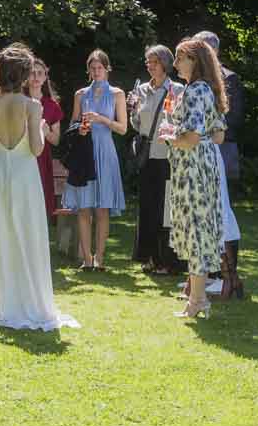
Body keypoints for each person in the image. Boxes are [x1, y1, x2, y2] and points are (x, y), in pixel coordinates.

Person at [0, 45, 79, 331]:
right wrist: (42, 131)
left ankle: (6, 304)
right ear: (21, 74)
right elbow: (35, 148)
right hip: (23, 172)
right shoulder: (31, 106)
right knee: (29, 233)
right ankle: (32, 302)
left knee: (3, 233)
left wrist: (2, 145)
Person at [161, 37, 228, 320]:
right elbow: (218, 135)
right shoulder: (206, 89)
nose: (175, 63)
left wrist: (169, 135)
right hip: (204, 166)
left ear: (195, 61)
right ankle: (197, 299)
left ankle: (198, 300)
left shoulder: (195, 91)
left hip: (192, 171)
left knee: (195, 231)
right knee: (197, 229)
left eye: (179, 58)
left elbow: (190, 138)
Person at [60, 49, 128, 270]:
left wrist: (102, 119)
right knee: (84, 207)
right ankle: (86, 259)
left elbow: (123, 128)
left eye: (100, 68)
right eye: (93, 68)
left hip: (105, 152)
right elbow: (71, 125)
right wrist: (79, 128)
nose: (97, 71)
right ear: (88, 70)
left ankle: (100, 258)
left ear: (107, 69)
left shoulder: (117, 94)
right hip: (85, 152)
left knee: (102, 208)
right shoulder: (81, 94)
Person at [193, 29, 246, 299]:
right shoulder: (197, 82)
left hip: (220, 151)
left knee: (223, 215)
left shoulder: (228, 79)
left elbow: (232, 120)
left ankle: (230, 276)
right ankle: (211, 275)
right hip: (199, 152)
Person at [129, 45, 180, 275]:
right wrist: (132, 111)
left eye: (154, 62)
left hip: (168, 157)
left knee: (165, 209)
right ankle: (149, 258)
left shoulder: (177, 90)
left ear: (165, 64)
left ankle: (166, 260)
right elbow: (137, 125)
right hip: (147, 157)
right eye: (148, 61)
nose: (149, 65)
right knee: (147, 208)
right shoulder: (141, 90)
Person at [26, 57, 62, 227]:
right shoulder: (19, 101)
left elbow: (56, 140)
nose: (35, 76)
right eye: (32, 73)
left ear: (45, 76)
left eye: (40, 73)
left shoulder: (52, 106)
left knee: (40, 199)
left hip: (41, 158)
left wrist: (46, 131)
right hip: (22, 156)